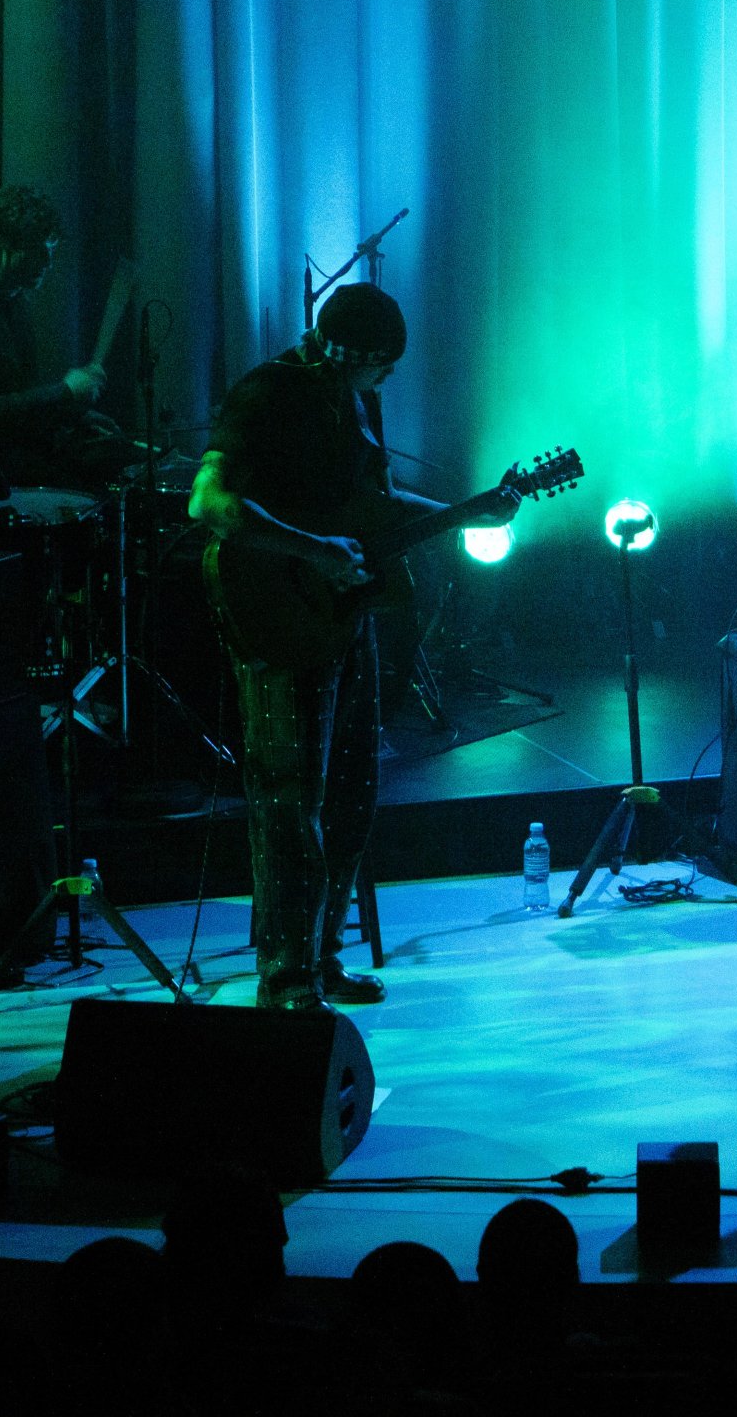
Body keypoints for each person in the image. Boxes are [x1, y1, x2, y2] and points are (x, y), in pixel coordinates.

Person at [188, 283, 518, 1011]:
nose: (388, 378)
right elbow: (208, 502)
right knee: (287, 799)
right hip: (275, 612)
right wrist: (313, 548)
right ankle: (284, 977)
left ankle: (322, 957)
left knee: (351, 793)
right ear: (353, 354)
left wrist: (466, 513)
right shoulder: (266, 394)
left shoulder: (357, 403)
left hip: (342, 615)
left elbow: (369, 509)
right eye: (383, 364)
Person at [0, 183, 130, 495]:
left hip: (12, 465)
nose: (47, 263)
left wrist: (77, 415)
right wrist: (65, 393)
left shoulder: (14, 300)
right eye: (35, 251)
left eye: (50, 251)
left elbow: (18, 398)